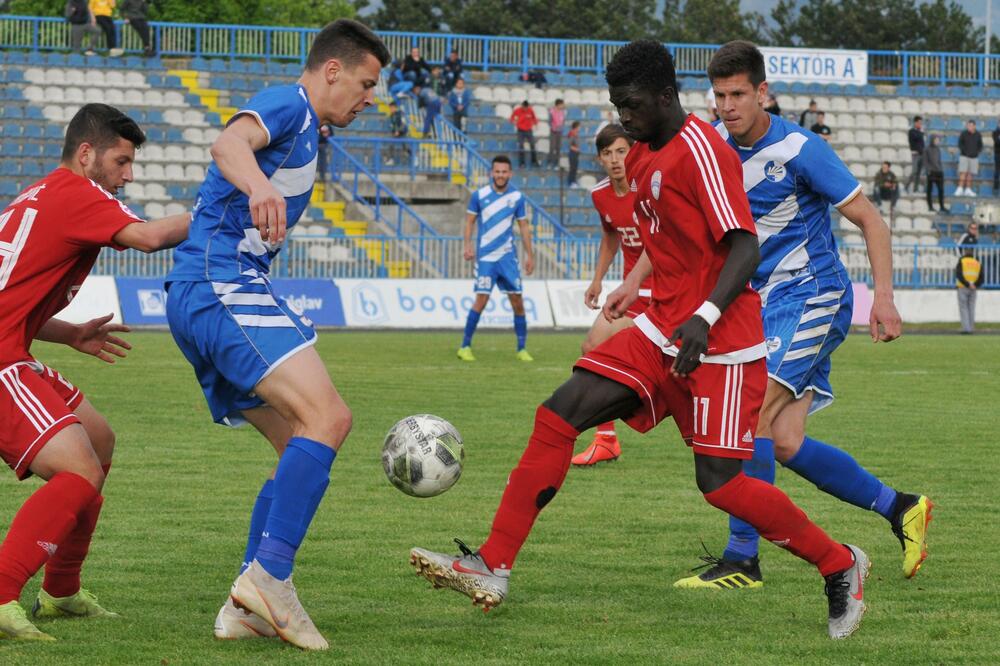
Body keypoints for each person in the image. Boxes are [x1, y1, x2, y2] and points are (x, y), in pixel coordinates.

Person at [413, 39, 872, 641]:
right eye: (614, 105)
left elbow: (743, 246)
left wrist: (705, 316)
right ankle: (493, 564)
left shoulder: (702, 151)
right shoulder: (647, 157)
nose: (622, 119)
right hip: (662, 331)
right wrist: (636, 286)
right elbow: (672, 242)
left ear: (665, 96)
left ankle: (841, 564)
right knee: (558, 415)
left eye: (630, 106)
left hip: (723, 344)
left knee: (721, 485)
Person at [163, 19, 389, 651]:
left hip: (201, 290)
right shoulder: (288, 103)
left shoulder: (308, 132)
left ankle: (246, 603)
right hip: (222, 285)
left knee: (298, 439)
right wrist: (259, 184)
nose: (368, 99)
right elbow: (227, 144)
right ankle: (271, 577)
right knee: (329, 418)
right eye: (365, 84)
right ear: (333, 70)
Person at [672, 40, 928, 594]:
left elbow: (872, 222)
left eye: (738, 93)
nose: (727, 105)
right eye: (718, 95)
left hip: (813, 296)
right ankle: (901, 506)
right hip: (761, 307)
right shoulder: (711, 145)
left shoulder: (800, 147)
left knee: (751, 417)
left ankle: (743, 560)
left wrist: (882, 297)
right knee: (784, 441)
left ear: (762, 92)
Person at [0, 103, 190, 641]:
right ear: (87, 155)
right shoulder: (78, 193)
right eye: (121, 161)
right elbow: (151, 238)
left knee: (100, 441)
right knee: (79, 469)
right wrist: (220, 211)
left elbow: (10, 295)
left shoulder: (40, 193)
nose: (128, 175)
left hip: (13, 346)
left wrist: (68, 332)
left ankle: (60, 591)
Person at [570, 123, 647, 466]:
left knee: (679, 370)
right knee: (593, 350)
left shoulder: (649, 188)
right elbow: (611, 235)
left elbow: (667, 239)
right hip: (633, 291)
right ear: (599, 159)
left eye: (621, 151)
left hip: (670, 289)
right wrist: (598, 280)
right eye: (607, 153)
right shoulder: (600, 194)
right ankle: (606, 439)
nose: (615, 160)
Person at [456, 156, 535, 362]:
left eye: (504, 172)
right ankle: (464, 346)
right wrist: (467, 245)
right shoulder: (479, 195)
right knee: (480, 300)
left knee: (517, 302)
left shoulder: (517, 197)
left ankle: (521, 349)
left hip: (508, 258)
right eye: (497, 172)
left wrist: (529, 254)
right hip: (486, 258)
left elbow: (524, 226)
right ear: (491, 173)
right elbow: (469, 221)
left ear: (510, 174)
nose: (500, 175)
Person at [956, 246, 984, 334]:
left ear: (965, 254)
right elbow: (981, 277)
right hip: (974, 289)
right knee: (971, 308)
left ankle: (966, 329)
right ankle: (971, 328)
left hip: (963, 287)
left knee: (963, 308)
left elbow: (959, 275)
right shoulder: (977, 263)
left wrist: (968, 284)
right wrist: (975, 285)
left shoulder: (962, 262)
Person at [957, 119, 983, 197]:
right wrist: (965, 152)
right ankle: (960, 189)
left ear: (974, 126)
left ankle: (968, 190)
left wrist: (976, 152)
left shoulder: (978, 134)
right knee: (963, 173)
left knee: (970, 174)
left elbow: (980, 145)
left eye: (971, 125)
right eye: (968, 125)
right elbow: (960, 144)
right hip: (964, 156)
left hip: (974, 157)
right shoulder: (963, 133)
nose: (969, 127)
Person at [510, 101, 539, 168]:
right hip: (520, 130)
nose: (525, 109)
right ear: (522, 106)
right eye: (524, 108)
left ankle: (534, 161)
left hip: (529, 130)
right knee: (521, 146)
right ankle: (522, 162)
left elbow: (534, 118)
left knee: (532, 144)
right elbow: (511, 118)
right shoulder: (517, 110)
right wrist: (514, 122)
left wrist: (535, 123)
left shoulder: (530, 110)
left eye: (527, 108)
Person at [924, 134, 946, 212]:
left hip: (939, 172)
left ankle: (942, 206)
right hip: (931, 172)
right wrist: (928, 170)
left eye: (938, 140)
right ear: (932, 140)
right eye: (936, 140)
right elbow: (925, 161)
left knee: (941, 190)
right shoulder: (927, 149)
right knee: (929, 190)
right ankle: (930, 206)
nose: (937, 141)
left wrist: (941, 169)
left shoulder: (938, 149)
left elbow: (939, 161)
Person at [387, 100, 408, 166]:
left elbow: (403, 124)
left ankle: (414, 158)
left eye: (391, 107)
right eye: (390, 108)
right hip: (395, 134)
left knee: (406, 146)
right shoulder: (391, 116)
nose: (390, 109)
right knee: (391, 145)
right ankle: (391, 159)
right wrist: (393, 131)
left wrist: (398, 131)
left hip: (402, 133)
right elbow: (392, 125)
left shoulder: (400, 114)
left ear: (395, 107)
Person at [906, 116, 925, 193]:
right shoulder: (911, 131)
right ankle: (907, 186)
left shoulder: (920, 132)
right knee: (914, 171)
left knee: (919, 172)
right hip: (915, 154)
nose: (920, 124)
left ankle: (915, 188)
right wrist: (921, 132)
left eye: (921, 123)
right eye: (919, 123)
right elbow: (916, 138)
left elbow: (921, 142)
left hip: (921, 154)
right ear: (915, 122)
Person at [546, 98, 566, 167]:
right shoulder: (551, 112)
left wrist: (561, 127)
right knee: (552, 147)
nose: (563, 106)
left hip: (559, 132)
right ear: (558, 104)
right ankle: (549, 162)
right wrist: (553, 127)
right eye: (562, 104)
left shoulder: (562, 112)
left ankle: (556, 163)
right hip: (553, 132)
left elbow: (563, 121)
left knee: (558, 148)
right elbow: (549, 121)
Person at [566, 120, 581, 186]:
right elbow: (569, 145)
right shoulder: (571, 134)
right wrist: (576, 149)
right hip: (572, 153)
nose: (580, 128)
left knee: (575, 168)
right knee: (572, 168)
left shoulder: (576, 134)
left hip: (576, 154)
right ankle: (570, 182)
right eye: (579, 126)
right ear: (576, 127)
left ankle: (574, 181)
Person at [993, 119, 1000, 194]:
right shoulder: (995, 132)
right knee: (997, 171)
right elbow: (997, 142)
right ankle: (996, 187)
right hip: (997, 153)